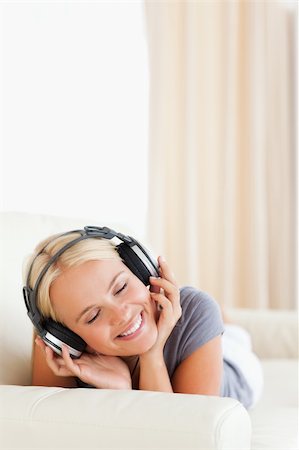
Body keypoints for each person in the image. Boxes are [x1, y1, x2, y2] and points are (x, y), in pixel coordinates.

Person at [23, 227, 263, 409]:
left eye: (120, 288)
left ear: (142, 270)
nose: (122, 314)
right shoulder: (60, 347)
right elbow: (49, 432)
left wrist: (152, 353)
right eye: (94, 315)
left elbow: (188, 437)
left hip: (233, 364)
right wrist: (121, 390)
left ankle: (225, 322)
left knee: (231, 333)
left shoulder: (197, 310)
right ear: (64, 335)